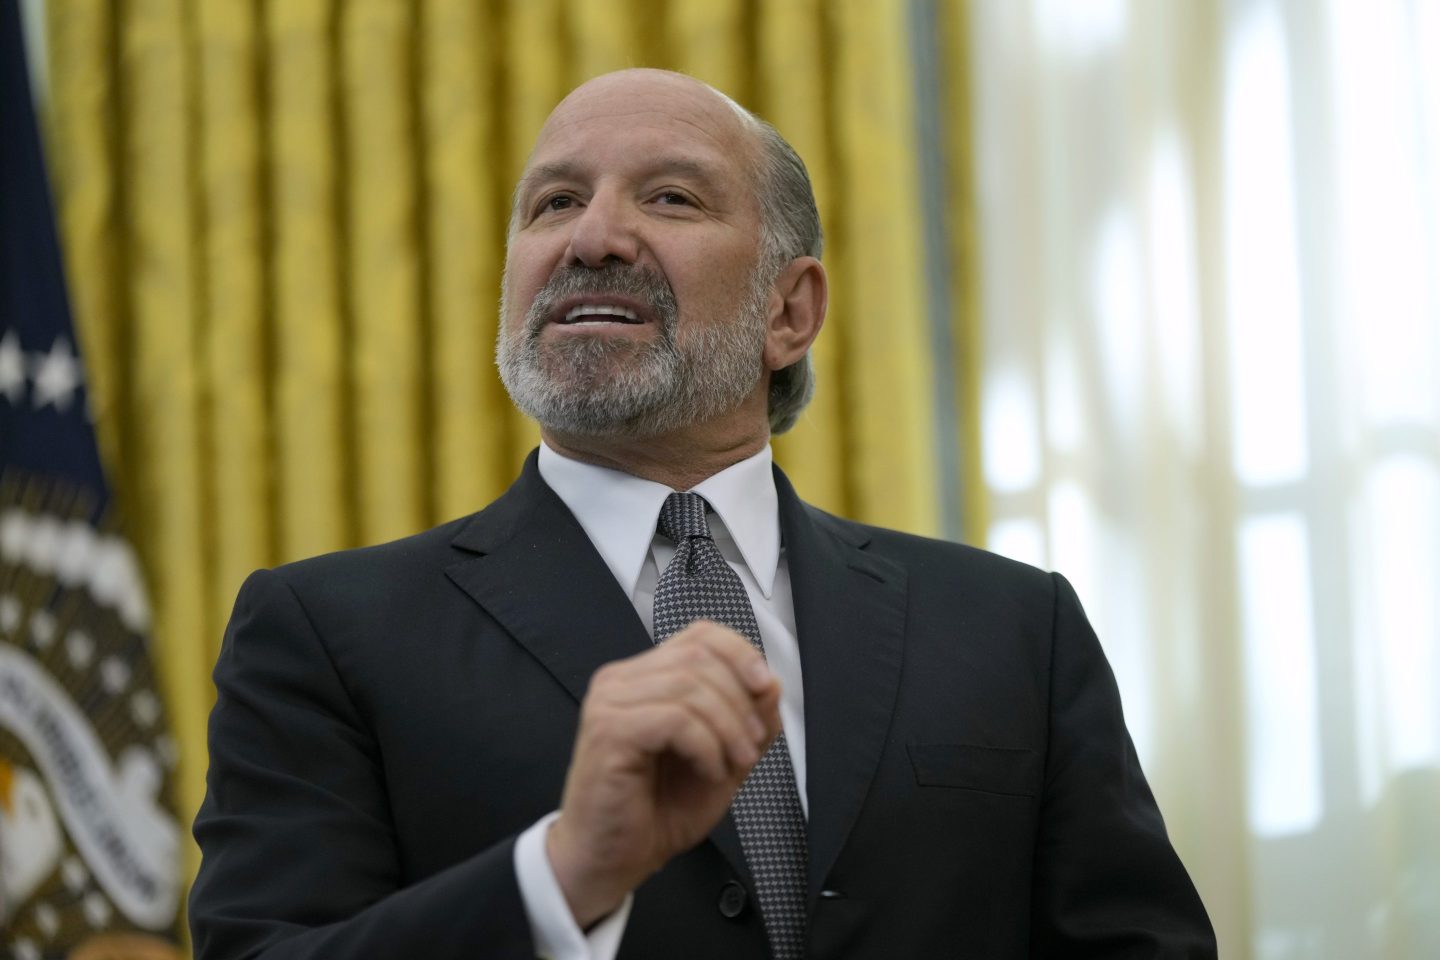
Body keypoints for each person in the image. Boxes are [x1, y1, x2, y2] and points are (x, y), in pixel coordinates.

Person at [189, 68, 1216, 959]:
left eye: (671, 197)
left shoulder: (1014, 629)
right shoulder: (324, 634)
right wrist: (562, 877)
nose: (594, 237)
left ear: (790, 310)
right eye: (554, 202)